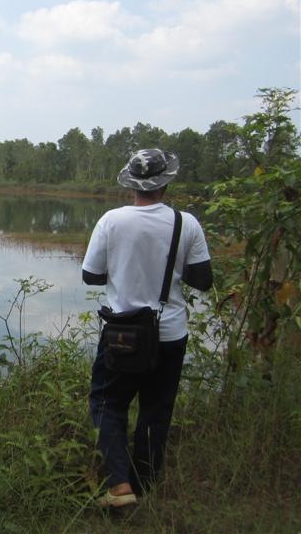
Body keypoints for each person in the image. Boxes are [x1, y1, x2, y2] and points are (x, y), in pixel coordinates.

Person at [82, 148, 213, 509]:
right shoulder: (187, 223)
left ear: (131, 184)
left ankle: (120, 485)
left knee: (107, 403)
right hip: (169, 333)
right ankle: (147, 485)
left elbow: (90, 275)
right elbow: (203, 280)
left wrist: (127, 268)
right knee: (156, 410)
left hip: (122, 333)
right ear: (166, 183)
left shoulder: (112, 220)